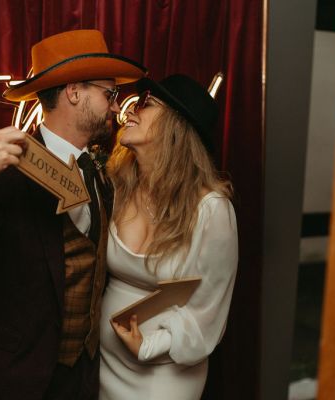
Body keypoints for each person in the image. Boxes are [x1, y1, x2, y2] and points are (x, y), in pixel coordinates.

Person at [0, 29, 146, 400]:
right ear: (74, 92)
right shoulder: (7, 172)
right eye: (109, 94)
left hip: (82, 382)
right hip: (14, 381)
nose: (116, 107)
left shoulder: (101, 175)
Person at [99, 74, 238, 399]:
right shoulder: (117, 186)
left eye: (147, 104)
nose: (132, 109)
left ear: (176, 127)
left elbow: (209, 309)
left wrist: (150, 345)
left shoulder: (211, 211)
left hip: (165, 375)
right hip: (104, 368)